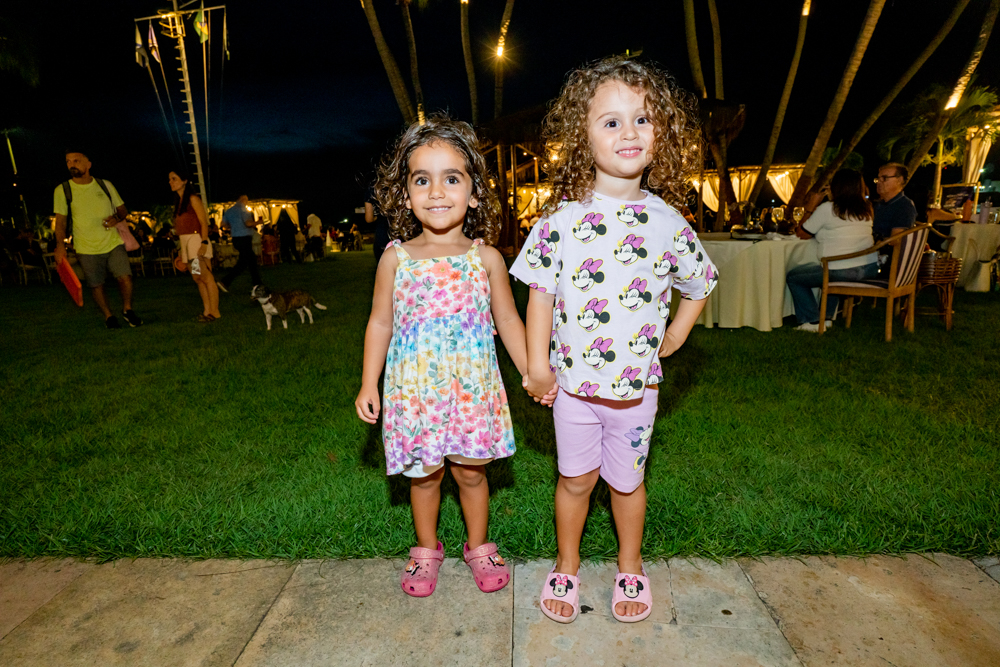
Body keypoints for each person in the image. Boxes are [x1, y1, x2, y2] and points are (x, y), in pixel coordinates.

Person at [511, 58, 716, 624]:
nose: (629, 132)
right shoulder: (558, 220)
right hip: (574, 389)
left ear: (660, 134)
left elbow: (700, 283)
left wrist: (677, 330)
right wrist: (537, 366)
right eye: (610, 121)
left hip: (636, 392)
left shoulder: (669, 222)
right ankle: (568, 564)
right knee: (574, 480)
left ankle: (631, 565)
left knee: (627, 485)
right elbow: (540, 296)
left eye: (642, 119)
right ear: (583, 136)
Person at [354, 115, 542, 599]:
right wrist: (368, 382)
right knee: (424, 475)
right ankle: (425, 548)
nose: (437, 191)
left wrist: (532, 371)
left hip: (471, 389)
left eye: (451, 178)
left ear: (474, 192)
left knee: (470, 472)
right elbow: (380, 322)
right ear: (406, 194)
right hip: (415, 392)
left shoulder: (487, 259)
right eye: (423, 179)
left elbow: (509, 323)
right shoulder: (395, 259)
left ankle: (478, 545)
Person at [53, 149, 143, 329]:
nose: (72, 164)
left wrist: (116, 219)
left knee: (125, 277)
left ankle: (127, 309)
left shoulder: (105, 185)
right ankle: (109, 316)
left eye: (76, 161)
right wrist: (60, 246)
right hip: (85, 247)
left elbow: (123, 210)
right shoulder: (63, 190)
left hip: (112, 242)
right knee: (96, 284)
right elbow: (61, 222)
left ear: (88, 164)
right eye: (68, 161)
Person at [787, 169, 879, 332]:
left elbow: (802, 233)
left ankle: (812, 321)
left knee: (795, 277)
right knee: (833, 269)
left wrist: (810, 207)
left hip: (844, 271)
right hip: (869, 268)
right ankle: (827, 318)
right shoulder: (867, 209)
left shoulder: (828, 209)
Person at [169, 170, 221, 322]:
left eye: (174, 179)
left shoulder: (193, 199)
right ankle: (207, 310)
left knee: (205, 276)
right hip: (186, 242)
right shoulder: (179, 202)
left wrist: (204, 242)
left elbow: (203, 222)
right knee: (198, 277)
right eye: (170, 179)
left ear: (184, 181)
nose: (171, 182)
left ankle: (215, 311)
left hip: (196, 241)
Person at [218, 195, 262, 292]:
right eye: (246, 200)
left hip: (236, 238)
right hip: (244, 238)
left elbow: (223, 225)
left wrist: (234, 226)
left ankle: (256, 284)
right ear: (243, 199)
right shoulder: (243, 209)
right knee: (250, 262)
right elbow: (248, 223)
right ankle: (257, 286)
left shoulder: (229, 211)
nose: (247, 202)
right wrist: (258, 222)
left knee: (246, 262)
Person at [872, 162, 917, 241]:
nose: (879, 182)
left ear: (899, 180)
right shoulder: (879, 204)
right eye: (878, 178)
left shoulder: (904, 206)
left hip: (882, 251)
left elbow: (896, 241)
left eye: (884, 178)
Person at [366, 184, 390, 266]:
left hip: (382, 236)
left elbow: (369, 219)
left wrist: (377, 218)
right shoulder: (401, 183)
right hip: (403, 235)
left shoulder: (372, 189)